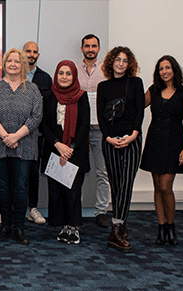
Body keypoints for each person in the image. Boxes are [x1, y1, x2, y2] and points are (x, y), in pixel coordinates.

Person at [0, 41, 52, 226]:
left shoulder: (32, 89)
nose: (13, 64)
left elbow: (36, 116)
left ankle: (18, 228)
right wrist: (5, 137)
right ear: (4, 63)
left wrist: (15, 137)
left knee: (20, 188)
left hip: (24, 145)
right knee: (4, 187)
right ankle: (6, 227)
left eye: (17, 61)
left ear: (22, 64)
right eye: (9, 61)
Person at [139, 55, 183, 246]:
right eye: (161, 68)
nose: (164, 71)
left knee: (165, 186)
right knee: (156, 187)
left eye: (167, 67)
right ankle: (161, 227)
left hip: (175, 143)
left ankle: (171, 225)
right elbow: (136, 105)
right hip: (154, 141)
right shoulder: (153, 90)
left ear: (174, 70)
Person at [96, 46, 144, 253]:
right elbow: (100, 116)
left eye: (125, 60)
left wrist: (133, 135)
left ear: (129, 64)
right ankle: (121, 225)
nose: (121, 63)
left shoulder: (136, 83)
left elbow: (140, 113)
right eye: (117, 59)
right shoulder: (103, 86)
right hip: (110, 141)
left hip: (132, 139)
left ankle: (116, 227)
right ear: (111, 62)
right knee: (116, 184)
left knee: (126, 183)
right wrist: (108, 138)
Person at [41, 60, 90, 245]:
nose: (64, 77)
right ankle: (63, 226)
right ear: (56, 75)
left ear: (74, 76)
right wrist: (57, 144)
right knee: (57, 191)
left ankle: (74, 227)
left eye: (68, 73)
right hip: (54, 148)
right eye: (61, 73)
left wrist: (71, 147)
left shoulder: (81, 96)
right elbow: (44, 124)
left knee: (73, 191)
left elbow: (85, 124)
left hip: (75, 150)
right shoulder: (48, 96)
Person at [76, 34, 111, 228]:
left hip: (100, 129)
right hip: (79, 129)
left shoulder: (106, 71)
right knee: (77, 171)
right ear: (82, 49)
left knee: (102, 172)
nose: (90, 49)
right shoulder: (74, 70)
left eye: (94, 46)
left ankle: (101, 211)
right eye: (87, 46)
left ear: (98, 48)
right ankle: (76, 209)